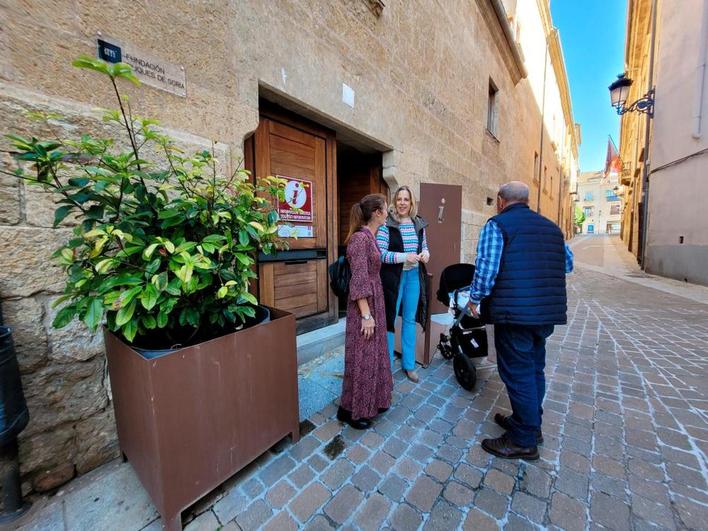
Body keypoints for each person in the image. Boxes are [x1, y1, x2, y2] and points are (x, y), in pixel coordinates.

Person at [466, 181, 573, 460]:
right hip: (544, 313)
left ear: (500, 200)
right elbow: (568, 264)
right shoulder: (552, 228)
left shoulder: (498, 225)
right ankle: (530, 425)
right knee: (535, 368)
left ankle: (523, 440)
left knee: (517, 372)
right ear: (527, 200)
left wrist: (474, 299)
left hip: (513, 314)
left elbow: (486, 270)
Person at [338, 194, 393, 430]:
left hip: (374, 301)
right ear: (378, 212)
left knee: (372, 356)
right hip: (365, 305)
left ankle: (366, 403)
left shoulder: (371, 236)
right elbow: (358, 281)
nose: (388, 212)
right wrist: (367, 316)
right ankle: (353, 412)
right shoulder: (360, 240)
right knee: (362, 358)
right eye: (386, 209)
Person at [377, 185, 430, 383]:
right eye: (399, 199)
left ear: (411, 202)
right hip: (394, 278)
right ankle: (387, 366)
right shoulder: (387, 223)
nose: (402, 203)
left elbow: (424, 247)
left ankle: (409, 365)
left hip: (414, 276)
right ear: (394, 201)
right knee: (389, 320)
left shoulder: (418, 223)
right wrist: (403, 257)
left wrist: (425, 255)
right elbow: (381, 254)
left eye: (406, 199)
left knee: (409, 320)